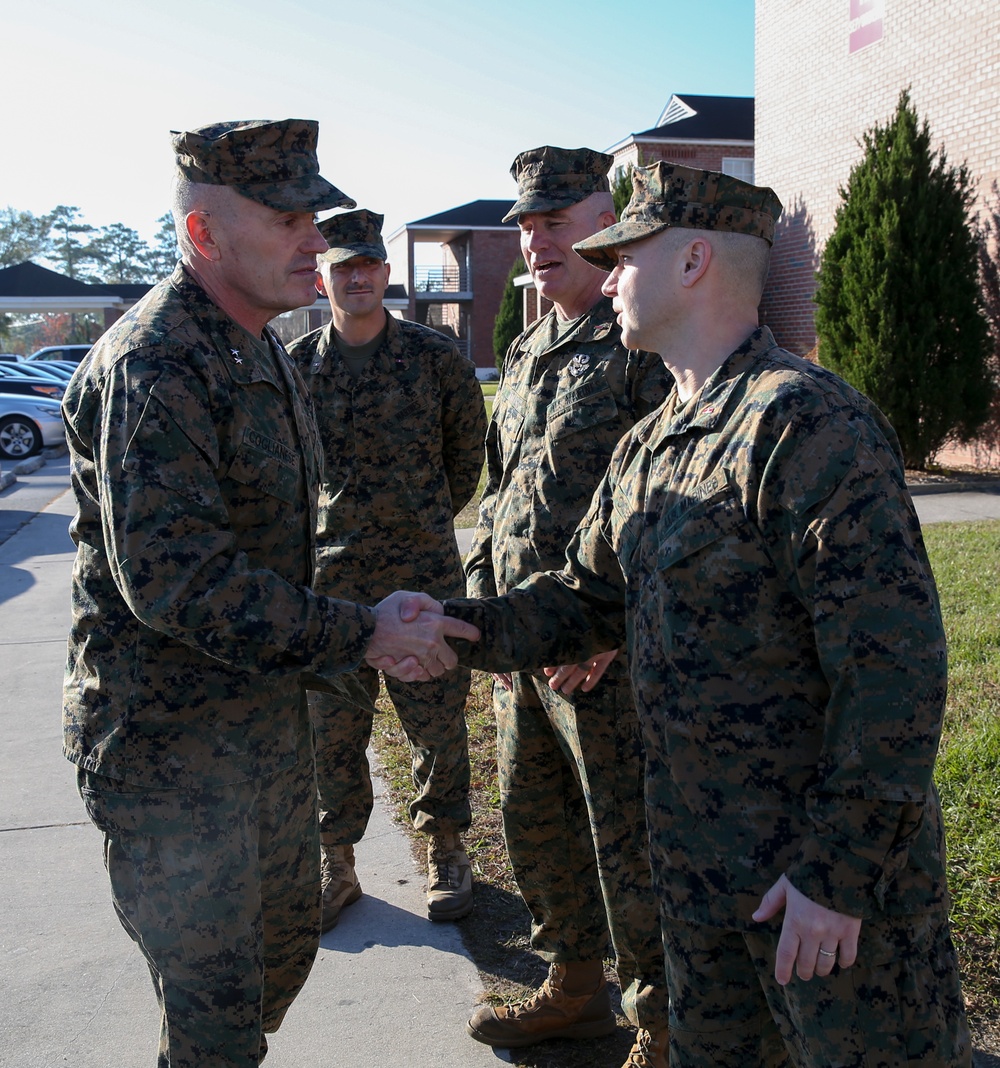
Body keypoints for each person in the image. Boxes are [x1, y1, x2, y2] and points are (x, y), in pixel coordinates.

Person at [432, 161, 972, 1066]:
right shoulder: (652, 441)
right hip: (697, 877)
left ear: (691, 262)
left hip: (816, 893)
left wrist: (836, 878)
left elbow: (895, 674)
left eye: (624, 256)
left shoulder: (804, 425)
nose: (607, 279)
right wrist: (437, 626)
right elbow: (581, 600)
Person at [61, 118, 477, 1068]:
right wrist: (359, 632)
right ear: (204, 234)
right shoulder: (158, 363)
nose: (315, 241)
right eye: (289, 219)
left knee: (283, 954)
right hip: (170, 759)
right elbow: (179, 581)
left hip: (262, 732)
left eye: (315, 218)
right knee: (217, 1028)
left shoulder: (259, 350)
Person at [461, 146, 672, 1067]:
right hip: (522, 645)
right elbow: (504, 490)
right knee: (534, 820)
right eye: (522, 224)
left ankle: (665, 1023)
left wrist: (613, 634)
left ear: (606, 219)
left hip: (600, 657)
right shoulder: (531, 343)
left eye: (553, 220)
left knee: (626, 839)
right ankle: (574, 989)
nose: (532, 240)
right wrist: (481, 603)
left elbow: (673, 506)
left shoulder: (645, 342)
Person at [286, 208, 486, 927]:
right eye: (344, 267)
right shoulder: (297, 368)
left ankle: (447, 849)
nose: (358, 276)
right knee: (332, 731)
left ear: (387, 273)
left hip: (424, 580)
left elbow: (467, 459)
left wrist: (421, 522)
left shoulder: (436, 361)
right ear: (324, 277)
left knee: (436, 722)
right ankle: (335, 863)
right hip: (332, 587)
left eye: (368, 264)